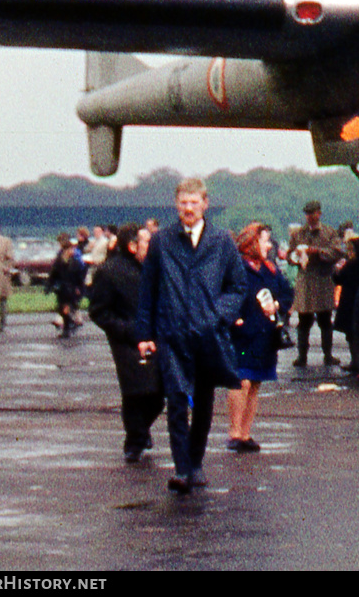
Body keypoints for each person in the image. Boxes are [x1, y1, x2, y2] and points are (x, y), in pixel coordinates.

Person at [136, 177, 247, 494]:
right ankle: (182, 469)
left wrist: (218, 316)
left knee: (204, 401)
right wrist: (144, 333)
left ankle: (195, 462)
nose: (188, 208)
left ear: (204, 204)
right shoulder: (162, 240)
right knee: (175, 400)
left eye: (194, 203)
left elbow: (237, 286)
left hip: (207, 335)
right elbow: (148, 289)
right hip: (172, 333)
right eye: (183, 203)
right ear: (176, 205)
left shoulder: (221, 241)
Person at [87, 224, 165, 462]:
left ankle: (140, 430)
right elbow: (98, 311)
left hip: (155, 337)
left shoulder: (153, 269)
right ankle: (135, 439)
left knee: (159, 393)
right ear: (132, 246)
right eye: (146, 242)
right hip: (126, 340)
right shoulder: (109, 272)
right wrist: (123, 329)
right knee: (136, 390)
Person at [226, 222, 291, 452]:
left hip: (265, 335)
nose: (269, 245)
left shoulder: (271, 269)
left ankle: (245, 433)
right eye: (264, 240)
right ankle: (234, 433)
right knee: (241, 381)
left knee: (255, 384)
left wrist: (277, 304)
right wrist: (233, 318)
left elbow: (287, 293)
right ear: (252, 242)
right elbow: (222, 294)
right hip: (242, 335)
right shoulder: (235, 267)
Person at [286, 200, 344, 368]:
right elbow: (289, 256)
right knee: (304, 321)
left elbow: (337, 252)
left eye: (313, 213)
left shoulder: (329, 232)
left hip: (323, 278)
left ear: (319, 213)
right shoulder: (298, 234)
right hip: (305, 280)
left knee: (325, 320)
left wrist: (318, 252)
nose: (310, 217)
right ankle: (302, 356)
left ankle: (328, 355)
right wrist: (296, 256)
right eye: (307, 214)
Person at [333, 229, 359, 374]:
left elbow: (339, 279)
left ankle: (356, 362)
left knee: (353, 334)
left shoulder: (354, 264)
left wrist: (336, 271)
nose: (349, 252)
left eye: (351, 249)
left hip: (352, 302)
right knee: (357, 332)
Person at [45, 233, 85, 337]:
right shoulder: (59, 261)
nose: (72, 251)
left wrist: (79, 288)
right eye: (70, 249)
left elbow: (79, 277)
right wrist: (49, 286)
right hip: (62, 289)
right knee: (61, 309)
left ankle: (67, 329)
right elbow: (53, 274)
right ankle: (71, 324)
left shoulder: (75, 262)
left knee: (66, 308)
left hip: (71, 289)